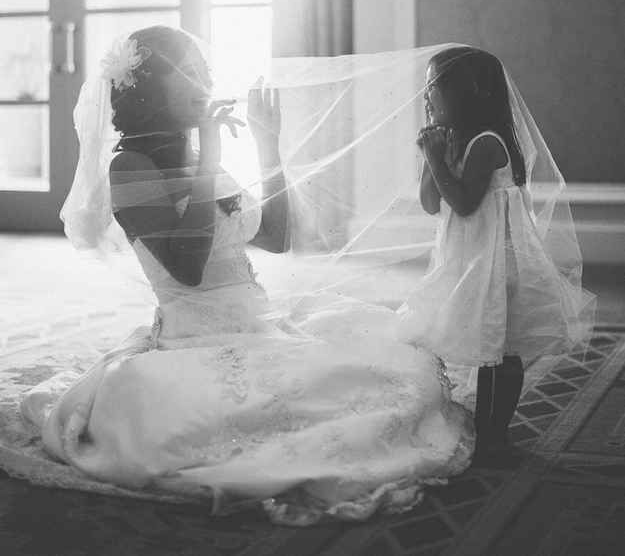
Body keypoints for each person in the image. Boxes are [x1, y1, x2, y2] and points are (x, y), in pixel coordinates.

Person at [16, 28, 474, 526]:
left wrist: (266, 144)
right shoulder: (130, 165)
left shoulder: (194, 157)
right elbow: (187, 271)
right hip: (193, 336)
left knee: (395, 371)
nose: (204, 82)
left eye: (205, 72)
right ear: (149, 87)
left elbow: (276, 236)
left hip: (260, 323)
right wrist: (210, 153)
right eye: (188, 72)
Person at [398, 46, 595, 464]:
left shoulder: (488, 143)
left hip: (496, 260)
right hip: (468, 258)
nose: (426, 94)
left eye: (434, 84)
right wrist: (432, 156)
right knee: (478, 337)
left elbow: (466, 202)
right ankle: (483, 427)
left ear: (467, 91)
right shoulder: (455, 139)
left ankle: (495, 434)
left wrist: (437, 157)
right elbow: (432, 203)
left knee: (499, 349)